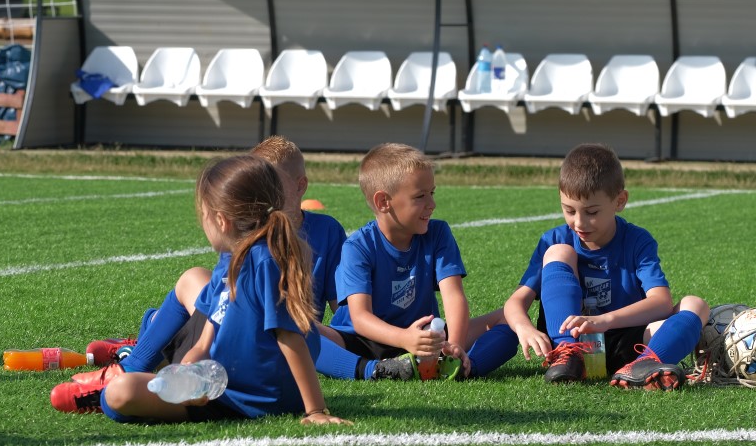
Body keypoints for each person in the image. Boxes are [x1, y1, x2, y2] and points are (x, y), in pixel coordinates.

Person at [54, 135, 364, 410]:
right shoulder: (229, 257)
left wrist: (315, 410)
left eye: (202, 215)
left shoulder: (267, 261)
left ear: (221, 220)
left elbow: (291, 337)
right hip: (220, 385)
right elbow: (214, 317)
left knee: (122, 393)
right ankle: (121, 377)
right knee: (120, 395)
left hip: (257, 396)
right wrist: (197, 357)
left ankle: (127, 364)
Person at [502, 142, 709, 389]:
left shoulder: (637, 240)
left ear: (619, 201)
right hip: (569, 343)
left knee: (695, 304)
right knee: (559, 252)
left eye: (591, 212)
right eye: (568, 210)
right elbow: (516, 301)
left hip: (625, 343)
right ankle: (570, 353)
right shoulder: (554, 239)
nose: (579, 222)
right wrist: (524, 328)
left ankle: (643, 366)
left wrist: (605, 320)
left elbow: (661, 302)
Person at [323, 142, 519, 380]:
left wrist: (454, 346)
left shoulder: (438, 234)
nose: (432, 204)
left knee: (512, 317)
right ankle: (374, 370)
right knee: (301, 331)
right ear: (383, 202)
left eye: (432, 193)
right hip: (362, 342)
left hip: (427, 340)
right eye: (420, 196)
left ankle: (459, 368)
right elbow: (361, 318)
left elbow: (454, 295)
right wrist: (404, 338)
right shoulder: (358, 247)